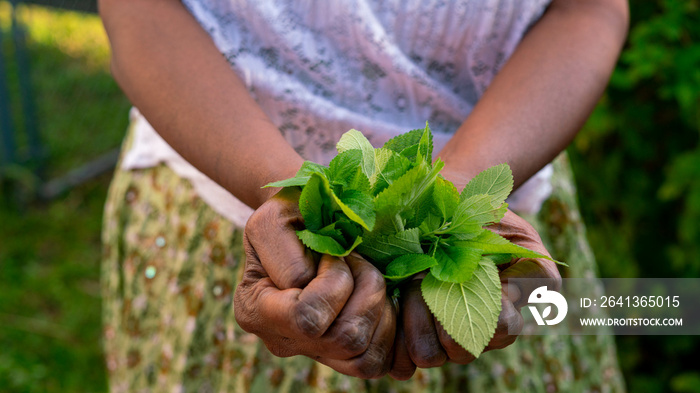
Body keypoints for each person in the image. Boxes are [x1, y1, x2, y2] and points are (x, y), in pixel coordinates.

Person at [99, 0, 629, 391]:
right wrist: (297, 200)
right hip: (227, 199)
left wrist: (463, 191)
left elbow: (587, 9)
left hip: (493, 220)